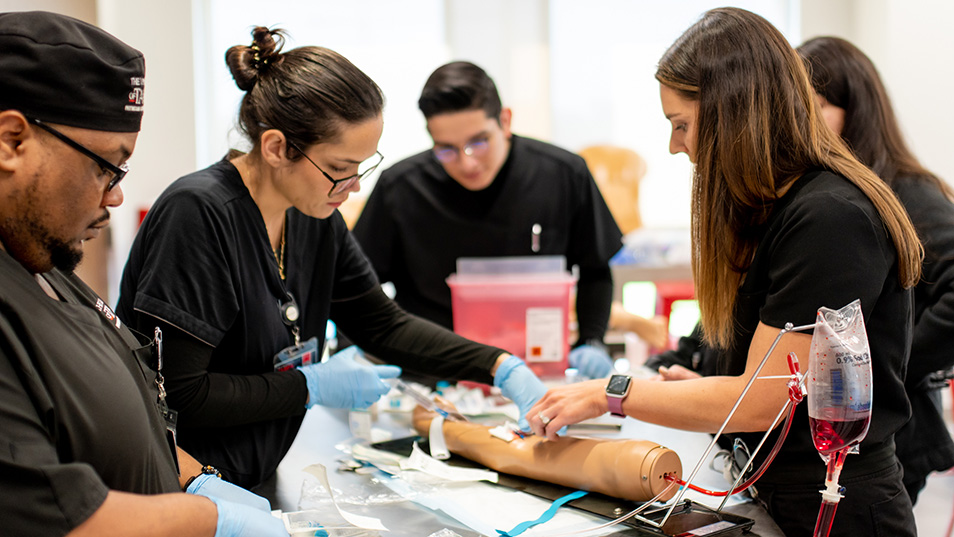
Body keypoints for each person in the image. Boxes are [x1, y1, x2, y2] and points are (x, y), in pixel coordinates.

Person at [527, 8, 921, 536]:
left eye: (681, 125)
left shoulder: (831, 217)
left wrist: (613, 391)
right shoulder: (780, 210)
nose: (675, 146)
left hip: (837, 510)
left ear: (733, 112)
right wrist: (702, 394)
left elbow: (763, 401)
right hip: (781, 490)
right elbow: (763, 382)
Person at [116, 27, 545, 491]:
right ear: (277, 148)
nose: (353, 186)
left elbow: (383, 325)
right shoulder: (199, 215)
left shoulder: (312, 215)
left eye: (362, 167)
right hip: (183, 486)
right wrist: (310, 386)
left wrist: (499, 366)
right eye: (339, 169)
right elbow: (179, 392)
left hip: (253, 475)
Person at [0, 11, 285, 536]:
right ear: (12, 141)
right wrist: (211, 519)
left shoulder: (39, 259)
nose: (116, 194)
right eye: (105, 165)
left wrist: (194, 478)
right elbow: (59, 520)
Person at [351, 61, 623, 380]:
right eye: (447, 149)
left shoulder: (563, 175)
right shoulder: (400, 188)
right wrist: (353, 349)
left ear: (505, 122)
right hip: (430, 372)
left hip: (536, 367)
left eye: (479, 142)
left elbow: (595, 269)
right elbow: (356, 285)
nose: (467, 163)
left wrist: (591, 339)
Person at [798, 36, 954, 503]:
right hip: (842, 436)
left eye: (818, 105)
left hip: (893, 437)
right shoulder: (825, 196)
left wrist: (884, 367)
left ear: (856, 110)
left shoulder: (907, 192)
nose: (804, 120)